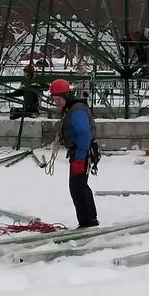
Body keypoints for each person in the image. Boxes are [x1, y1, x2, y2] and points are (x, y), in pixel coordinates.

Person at [50, 78, 98, 229]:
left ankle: (87, 222)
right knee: (80, 187)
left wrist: (79, 159)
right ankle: (89, 220)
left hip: (81, 153)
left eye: (58, 99)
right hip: (79, 152)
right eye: (54, 99)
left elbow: (84, 134)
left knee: (78, 188)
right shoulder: (71, 108)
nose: (56, 102)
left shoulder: (76, 110)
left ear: (66, 95)